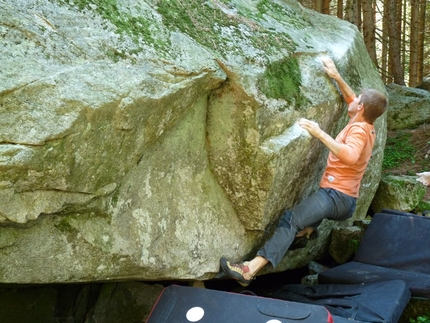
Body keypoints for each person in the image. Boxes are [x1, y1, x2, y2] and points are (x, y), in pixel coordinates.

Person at [220, 57, 388, 287]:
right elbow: (351, 99)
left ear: (360, 108)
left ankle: (249, 270)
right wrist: (336, 76)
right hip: (345, 200)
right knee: (301, 225)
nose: (354, 98)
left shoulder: (358, 130)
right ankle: (307, 232)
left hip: (335, 196)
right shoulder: (366, 123)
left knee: (291, 220)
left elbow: (350, 155)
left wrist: (319, 133)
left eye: (358, 99)